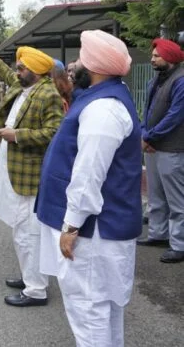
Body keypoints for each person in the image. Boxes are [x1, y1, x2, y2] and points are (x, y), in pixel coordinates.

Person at [37, 29, 141, 346]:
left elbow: (89, 173)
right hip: (99, 230)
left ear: (94, 66)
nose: (75, 65)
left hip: (93, 233)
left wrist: (71, 226)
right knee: (102, 310)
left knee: (89, 311)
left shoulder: (103, 109)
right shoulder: (102, 99)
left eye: (81, 59)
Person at [0, 25, 64, 307]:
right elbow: (2, 70)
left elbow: (54, 133)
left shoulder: (47, 93)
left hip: (30, 175)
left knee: (29, 232)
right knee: (20, 229)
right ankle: (31, 277)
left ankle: (36, 289)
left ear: (35, 71)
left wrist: (17, 136)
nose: (16, 71)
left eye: (21, 68)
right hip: (13, 169)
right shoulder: (25, 85)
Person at [137, 37, 184, 263]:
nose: (152, 59)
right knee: (156, 195)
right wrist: (145, 132)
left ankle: (179, 244)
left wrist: (149, 135)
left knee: (176, 200)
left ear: (171, 58)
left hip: (172, 148)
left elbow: (175, 116)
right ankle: (158, 234)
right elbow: (148, 110)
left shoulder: (181, 80)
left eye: (157, 56)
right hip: (153, 146)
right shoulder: (157, 79)